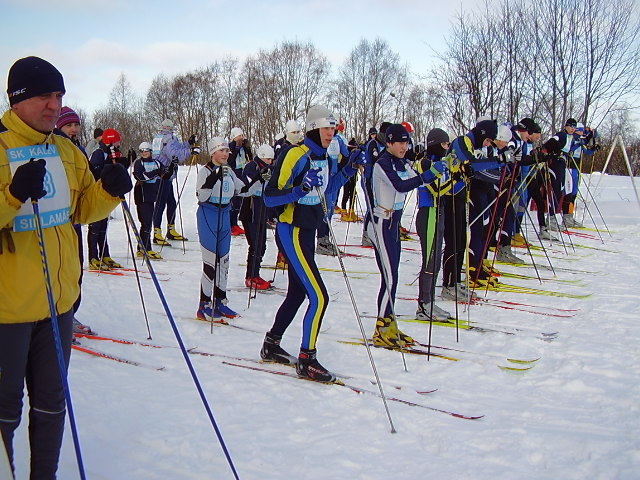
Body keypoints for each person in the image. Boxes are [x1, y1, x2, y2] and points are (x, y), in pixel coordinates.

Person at [0, 55, 131, 479]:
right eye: (43, 95)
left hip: (59, 305)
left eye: (59, 95)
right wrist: (12, 195)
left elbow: (81, 208)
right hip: (7, 312)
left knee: (52, 403)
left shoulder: (65, 149)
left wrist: (108, 191)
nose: (54, 105)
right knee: (5, 412)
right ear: (16, 99)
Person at [261, 105, 364, 382]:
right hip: (290, 230)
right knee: (319, 296)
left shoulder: (326, 156)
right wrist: (300, 189)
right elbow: (270, 198)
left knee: (297, 293)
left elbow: (330, 188)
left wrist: (350, 167)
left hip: (308, 230)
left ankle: (271, 344)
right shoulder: (295, 154)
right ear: (313, 129)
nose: (332, 133)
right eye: (326, 128)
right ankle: (308, 359)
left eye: (334, 128)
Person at [367, 124, 447, 347]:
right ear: (389, 143)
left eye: (406, 142)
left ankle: (389, 323)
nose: (404, 146)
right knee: (389, 277)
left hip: (393, 224)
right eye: (400, 142)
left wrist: (440, 171)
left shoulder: (401, 162)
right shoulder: (382, 163)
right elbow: (401, 186)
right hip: (381, 224)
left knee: (394, 276)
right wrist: (428, 175)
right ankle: (381, 328)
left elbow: (418, 178)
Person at [195, 137, 257, 321]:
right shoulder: (205, 171)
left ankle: (220, 301)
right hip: (208, 215)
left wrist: (260, 179)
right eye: (220, 151)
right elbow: (202, 195)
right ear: (213, 153)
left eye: (226, 151)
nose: (224, 154)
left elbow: (243, 190)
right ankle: (204, 305)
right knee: (210, 263)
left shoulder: (229, 171)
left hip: (225, 215)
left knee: (223, 262)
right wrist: (214, 177)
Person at [54, 106, 95, 334]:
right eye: (68, 125)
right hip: (58, 220)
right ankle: (58, 320)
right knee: (59, 271)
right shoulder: (53, 149)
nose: (73, 129)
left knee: (75, 270)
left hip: (75, 221)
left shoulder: (77, 150)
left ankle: (70, 314)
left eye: (76, 125)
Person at [414, 128, 454, 321]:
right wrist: (453, 176)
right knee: (429, 260)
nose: (447, 148)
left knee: (436, 260)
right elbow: (437, 190)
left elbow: (448, 190)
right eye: (445, 144)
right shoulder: (425, 163)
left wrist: (462, 177)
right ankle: (423, 304)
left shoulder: (439, 163)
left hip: (439, 212)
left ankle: (429, 301)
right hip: (428, 213)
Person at [151, 118, 197, 246]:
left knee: (171, 202)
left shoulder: (158, 138)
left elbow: (175, 148)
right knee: (161, 204)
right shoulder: (169, 138)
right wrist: (190, 151)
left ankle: (170, 230)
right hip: (164, 174)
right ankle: (157, 233)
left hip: (163, 174)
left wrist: (188, 143)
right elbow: (174, 154)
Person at [87, 128, 127, 270]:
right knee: (95, 226)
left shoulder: (112, 153)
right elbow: (93, 171)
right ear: (110, 140)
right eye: (116, 140)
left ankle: (105, 254)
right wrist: (108, 167)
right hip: (96, 193)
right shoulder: (99, 153)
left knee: (103, 226)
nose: (118, 143)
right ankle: (93, 257)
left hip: (107, 194)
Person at [240, 144, 275, 290]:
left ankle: (255, 274)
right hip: (251, 212)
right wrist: (259, 178)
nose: (270, 162)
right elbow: (247, 185)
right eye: (268, 159)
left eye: (271, 159)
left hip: (262, 211)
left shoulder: (269, 168)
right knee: (255, 245)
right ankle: (251, 276)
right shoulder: (251, 166)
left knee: (262, 245)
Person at [132, 141, 164, 259]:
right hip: (142, 197)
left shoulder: (156, 162)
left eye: (146, 151)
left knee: (147, 223)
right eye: (142, 151)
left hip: (152, 196)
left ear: (151, 152)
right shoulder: (138, 163)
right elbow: (141, 176)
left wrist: (172, 166)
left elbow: (165, 174)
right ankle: (146, 248)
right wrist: (156, 173)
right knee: (146, 223)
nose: (144, 153)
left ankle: (141, 248)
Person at [227, 127, 252, 236]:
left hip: (242, 173)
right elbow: (230, 160)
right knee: (233, 200)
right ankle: (230, 224)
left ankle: (235, 223)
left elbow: (250, 159)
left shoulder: (243, 147)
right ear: (234, 137)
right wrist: (236, 148)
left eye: (242, 135)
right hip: (234, 173)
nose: (241, 138)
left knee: (240, 199)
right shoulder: (231, 146)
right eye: (239, 136)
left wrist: (248, 148)